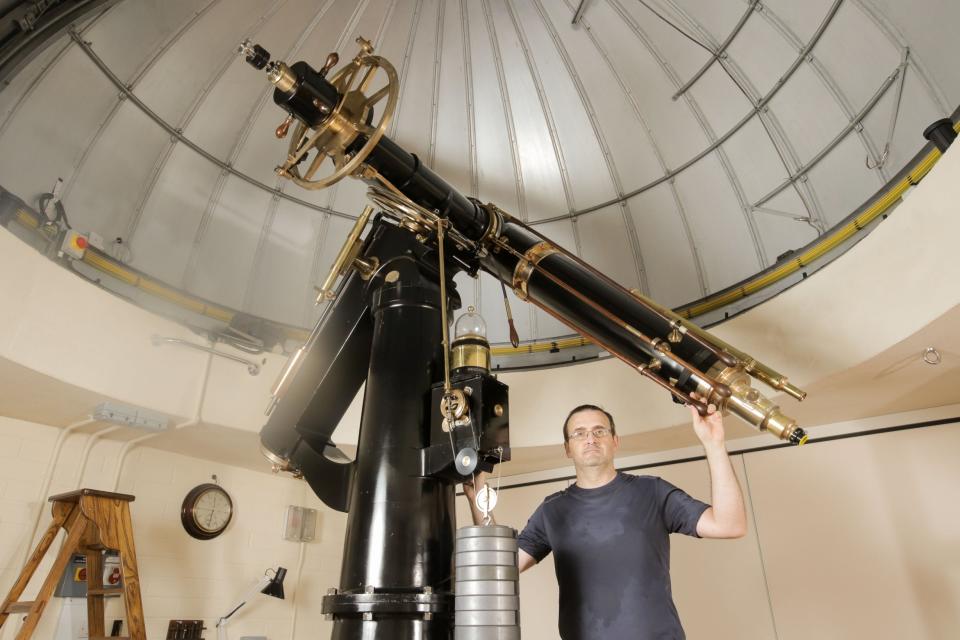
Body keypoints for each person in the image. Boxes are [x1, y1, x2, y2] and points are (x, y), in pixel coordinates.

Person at [462, 397, 746, 640]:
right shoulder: (552, 510)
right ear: (567, 448)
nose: (590, 438)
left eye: (599, 431)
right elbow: (500, 567)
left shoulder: (652, 491)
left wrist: (714, 443)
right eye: (579, 433)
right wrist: (478, 499)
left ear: (615, 441)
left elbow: (729, 524)